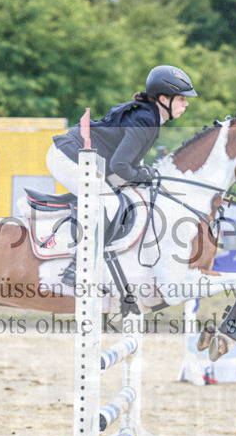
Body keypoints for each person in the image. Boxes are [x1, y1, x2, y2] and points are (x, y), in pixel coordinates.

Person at [46, 65, 198, 285]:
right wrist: (146, 176)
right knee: (106, 204)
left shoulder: (150, 117)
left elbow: (127, 165)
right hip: (66, 157)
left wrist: (145, 174)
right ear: (164, 98)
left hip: (88, 161)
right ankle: (77, 268)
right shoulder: (145, 119)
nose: (186, 103)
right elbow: (120, 166)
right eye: (182, 98)